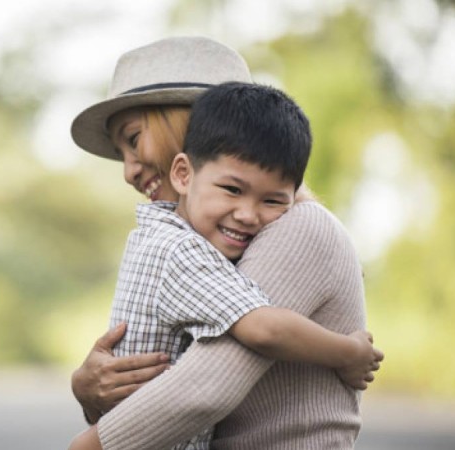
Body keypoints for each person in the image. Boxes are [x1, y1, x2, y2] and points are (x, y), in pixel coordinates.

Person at [68, 37, 384, 449]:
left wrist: (89, 444)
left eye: (133, 139)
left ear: (194, 125)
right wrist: (90, 391)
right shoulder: (200, 240)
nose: (128, 171)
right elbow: (162, 377)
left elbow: (206, 386)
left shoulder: (295, 229)